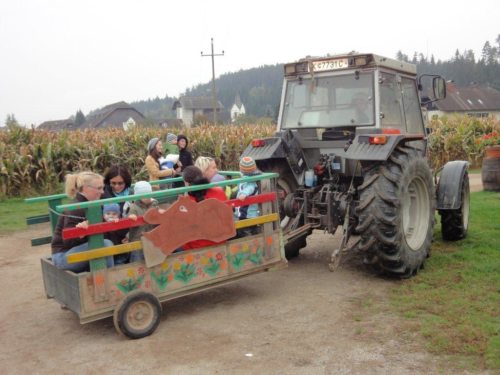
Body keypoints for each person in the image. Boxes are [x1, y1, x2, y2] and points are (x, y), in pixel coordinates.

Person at [51, 171, 114, 272]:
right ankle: (109, 279)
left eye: (103, 188)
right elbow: (68, 242)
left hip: (74, 252)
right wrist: (81, 233)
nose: (102, 192)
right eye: (99, 188)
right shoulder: (76, 208)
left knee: (105, 244)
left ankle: (107, 277)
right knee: (104, 244)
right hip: (62, 257)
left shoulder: (91, 205)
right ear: (85, 188)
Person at [181, 166, 227, 250]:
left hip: (196, 247)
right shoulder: (219, 191)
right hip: (221, 241)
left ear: (186, 183)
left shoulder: (185, 203)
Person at [126, 181, 164, 262]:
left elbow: (158, 214)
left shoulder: (154, 204)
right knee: (137, 259)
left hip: (152, 237)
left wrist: (161, 213)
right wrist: (131, 216)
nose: (148, 197)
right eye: (145, 196)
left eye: (149, 195)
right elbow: (129, 216)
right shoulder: (133, 207)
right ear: (138, 197)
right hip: (138, 238)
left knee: (155, 258)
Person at [235, 156, 262, 237]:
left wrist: (243, 194)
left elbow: (249, 189)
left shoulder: (250, 183)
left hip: (248, 216)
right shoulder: (244, 181)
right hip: (244, 214)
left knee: (246, 232)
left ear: (241, 171)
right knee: (246, 230)